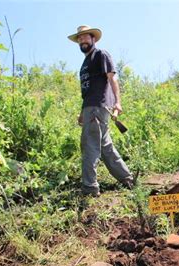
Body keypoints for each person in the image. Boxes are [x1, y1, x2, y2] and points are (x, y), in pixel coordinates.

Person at [68, 25, 134, 197]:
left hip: (99, 106)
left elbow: (112, 79)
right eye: (79, 38)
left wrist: (118, 102)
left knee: (89, 144)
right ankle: (128, 179)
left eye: (85, 37)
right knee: (105, 147)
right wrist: (83, 112)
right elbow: (88, 91)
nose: (82, 40)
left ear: (93, 39)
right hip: (91, 107)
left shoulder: (101, 55)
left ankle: (90, 188)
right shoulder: (84, 64)